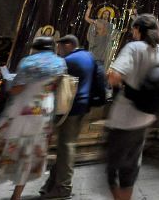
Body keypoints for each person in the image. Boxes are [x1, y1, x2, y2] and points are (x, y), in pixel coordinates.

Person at [0, 36, 66, 200]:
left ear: (36, 48)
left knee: (4, 145)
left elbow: (17, 89)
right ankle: (16, 195)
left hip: (22, 111)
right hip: (44, 112)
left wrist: (9, 85)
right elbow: (55, 87)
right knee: (29, 154)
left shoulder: (28, 62)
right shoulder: (60, 63)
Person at [105, 14, 159, 200]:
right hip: (146, 116)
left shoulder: (133, 48)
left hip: (124, 117)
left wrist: (120, 83)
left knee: (112, 167)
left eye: (133, 29)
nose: (132, 33)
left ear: (138, 29)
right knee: (131, 165)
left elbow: (114, 76)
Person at [41, 35, 96, 199]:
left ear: (68, 45)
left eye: (59, 47)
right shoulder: (88, 56)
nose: (58, 51)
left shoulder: (68, 60)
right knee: (66, 145)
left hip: (69, 107)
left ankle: (63, 187)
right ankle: (51, 184)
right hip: (83, 106)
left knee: (66, 147)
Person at [85, 1, 116, 67]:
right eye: (104, 13)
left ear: (109, 15)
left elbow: (112, 36)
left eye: (107, 14)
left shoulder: (111, 25)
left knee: (100, 64)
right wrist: (89, 8)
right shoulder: (97, 21)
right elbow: (87, 18)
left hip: (104, 47)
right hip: (96, 44)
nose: (106, 15)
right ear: (102, 14)